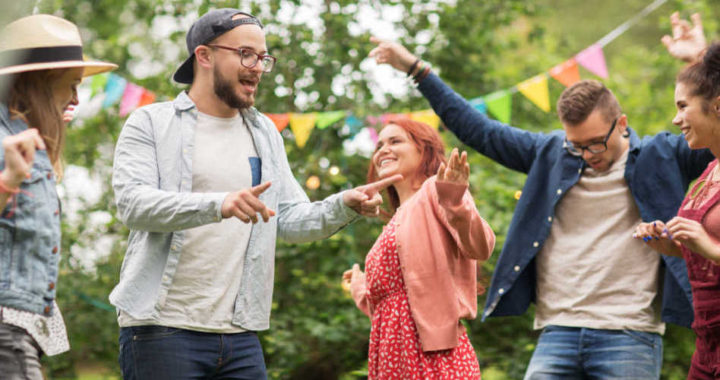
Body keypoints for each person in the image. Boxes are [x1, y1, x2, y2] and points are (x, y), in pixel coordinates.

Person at [368, 22, 714, 378]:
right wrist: (416, 69)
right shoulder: (551, 153)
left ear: (621, 123)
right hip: (557, 331)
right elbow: (478, 130)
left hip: (630, 332)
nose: (587, 154)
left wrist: (702, 64)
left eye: (595, 143)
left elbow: (716, 130)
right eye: (576, 145)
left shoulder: (664, 155)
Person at [110, 8, 398, 380]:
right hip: (161, 329)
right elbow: (134, 205)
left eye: (263, 58)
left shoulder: (264, 133)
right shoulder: (151, 123)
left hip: (240, 336)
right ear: (205, 56)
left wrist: (344, 205)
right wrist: (220, 203)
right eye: (246, 54)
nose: (258, 67)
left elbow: (287, 218)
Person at [0, 14, 117, 380]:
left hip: (20, 329)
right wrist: (8, 181)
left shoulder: (25, 140)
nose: (76, 98)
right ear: (37, 83)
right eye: (71, 85)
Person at [342, 118, 495, 379]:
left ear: (424, 151)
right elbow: (393, 307)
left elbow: (481, 246)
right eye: (379, 145)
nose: (383, 150)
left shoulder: (437, 190)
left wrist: (455, 200)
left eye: (395, 141)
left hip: (432, 356)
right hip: (390, 357)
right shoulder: (394, 221)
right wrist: (361, 287)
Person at [634, 13, 720, 380]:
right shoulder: (709, 172)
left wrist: (708, 245)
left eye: (682, 106)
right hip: (707, 347)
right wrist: (675, 244)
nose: (675, 119)